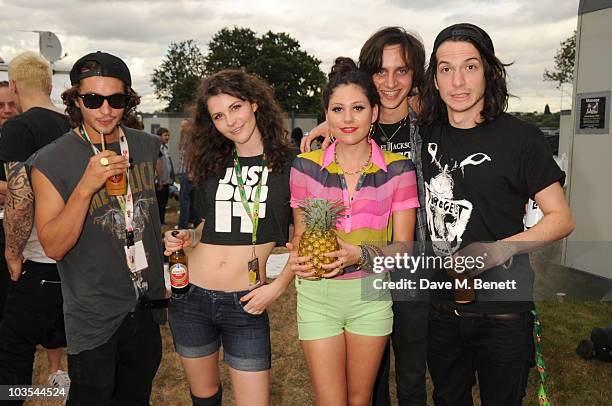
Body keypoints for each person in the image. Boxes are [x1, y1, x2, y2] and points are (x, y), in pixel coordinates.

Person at [418, 23, 574, 405]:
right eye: (445, 69)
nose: (458, 81)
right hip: (442, 310)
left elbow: (560, 218)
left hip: (503, 311)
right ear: (434, 80)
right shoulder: (425, 134)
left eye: (470, 67)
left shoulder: (521, 139)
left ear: (489, 71)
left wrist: (499, 249)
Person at [301, 27, 429, 405]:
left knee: (410, 375)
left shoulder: (430, 123)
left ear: (415, 76)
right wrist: (332, 122)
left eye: (402, 71)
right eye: (380, 72)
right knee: (369, 383)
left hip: (411, 264)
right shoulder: (346, 128)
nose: (391, 82)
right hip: (364, 274)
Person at [30, 51, 167, 404]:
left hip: (147, 308)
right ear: (76, 99)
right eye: (93, 99)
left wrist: (166, 239)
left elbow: (140, 218)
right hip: (95, 316)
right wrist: (86, 186)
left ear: (129, 100)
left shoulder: (146, 147)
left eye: (116, 99)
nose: (105, 110)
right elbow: (54, 247)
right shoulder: (50, 161)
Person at [163, 69, 295, 406]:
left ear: (254, 104)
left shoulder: (291, 165)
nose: (230, 122)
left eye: (235, 108)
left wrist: (277, 288)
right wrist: (187, 236)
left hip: (247, 302)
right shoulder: (215, 162)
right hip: (190, 296)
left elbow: (305, 239)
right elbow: (210, 225)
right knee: (204, 397)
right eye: (218, 116)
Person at [0, 52, 69, 396]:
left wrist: (12, 253)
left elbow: (19, 195)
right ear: (50, 85)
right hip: (71, 252)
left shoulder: (18, 127)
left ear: (13, 86)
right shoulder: (71, 123)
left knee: (14, 350)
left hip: (36, 255)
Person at [0, 80, 18, 322]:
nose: (6, 110)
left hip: (18, 230)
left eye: (12, 104)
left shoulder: (25, 140)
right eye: (0, 105)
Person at [177, 119, 200, 228]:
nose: (181, 128)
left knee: (185, 200)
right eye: (181, 126)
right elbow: (179, 148)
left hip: (188, 172)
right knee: (191, 199)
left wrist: (191, 171)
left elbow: (192, 156)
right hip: (185, 172)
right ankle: (194, 221)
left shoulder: (190, 138)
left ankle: (183, 225)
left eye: (183, 126)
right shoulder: (184, 137)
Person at [156, 126, 174, 225]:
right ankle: (159, 222)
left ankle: (162, 221)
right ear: (159, 136)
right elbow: (158, 165)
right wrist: (160, 180)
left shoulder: (166, 148)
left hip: (167, 180)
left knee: (164, 202)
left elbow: (168, 164)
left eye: (168, 135)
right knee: (159, 202)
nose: (168, 137)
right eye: (165, 135)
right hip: (160, 181)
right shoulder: (157, 148)